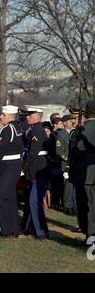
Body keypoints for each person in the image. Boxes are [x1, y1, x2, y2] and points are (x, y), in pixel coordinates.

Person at [0, 105, 23, 237]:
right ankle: (14, 229)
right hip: (14, 165)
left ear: (10, 116)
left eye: (3, 115)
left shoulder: (8, 129)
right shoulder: (18, 127)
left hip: (8, 166)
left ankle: (7, 231)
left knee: (0, 197)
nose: (1, 117)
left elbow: (0, 150)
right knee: (10, 198)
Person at [22, 105, 50, 240]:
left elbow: (33, 153)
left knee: (34, 201)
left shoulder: (38, 130)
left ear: (37, 116)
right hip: (36, 168)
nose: (27, 117)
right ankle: (33, 228)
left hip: (38, 168)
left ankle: (41, 231)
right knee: (32, 200)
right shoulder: (34, 129)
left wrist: (24, 167)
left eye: (30, 114)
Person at [70, 100, 95, 246]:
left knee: (85, 206)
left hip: (83, 173)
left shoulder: (82, 130)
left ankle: (90, 236)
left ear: (86, 112)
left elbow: (76, 151)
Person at [56, 114, 75, 215]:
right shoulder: (61, 134)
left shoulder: (74, 132)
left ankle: (71, 204)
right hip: (66, 164)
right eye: (69, 121)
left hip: (74, 163)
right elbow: (59, 151)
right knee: (67, 186)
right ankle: (67, 206)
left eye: (71, 120)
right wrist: (67, 158)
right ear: (64, 123)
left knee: (72, 186)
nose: (71, 122)